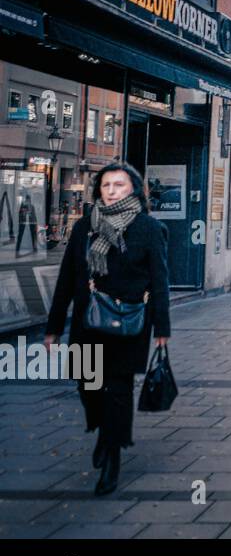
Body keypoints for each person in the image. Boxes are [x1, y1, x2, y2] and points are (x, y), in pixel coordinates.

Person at [44, 161, 170, 497]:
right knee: (88, 386)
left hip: (130, 323)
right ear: (98, 189)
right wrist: (54, 327)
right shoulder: (85, 226)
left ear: (134, 190)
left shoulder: (148, 229)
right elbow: (67, 279)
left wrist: (163, 328)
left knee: (117, 391)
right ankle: (102, 430)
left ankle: (112, 458)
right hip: (89, 322)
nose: (112, 191)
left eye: (119, 185)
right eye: (106, 185)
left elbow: (160, 281)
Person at [15, 193, 38, 257]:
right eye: (27, 199)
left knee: (32, 236)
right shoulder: (24, 206)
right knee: (21, 236)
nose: (28, 201)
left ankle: (34, 249)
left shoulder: (31, 206)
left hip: (30, 223)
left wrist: (35, 223)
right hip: (25, 223)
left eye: (28, 199)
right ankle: (18, 251)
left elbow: (34, 215)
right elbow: (21, 214)